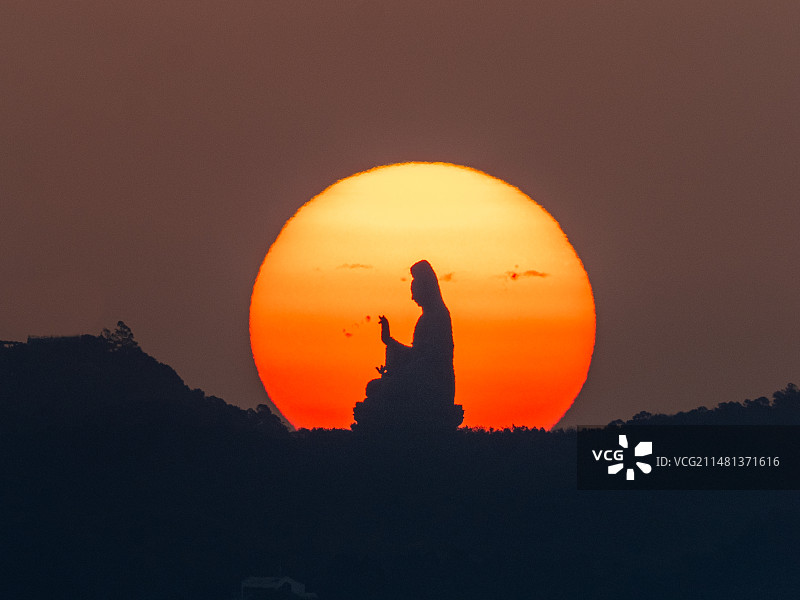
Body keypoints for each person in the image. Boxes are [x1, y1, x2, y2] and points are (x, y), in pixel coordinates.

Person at [376, 260, 455, 408]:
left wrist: (403, 373)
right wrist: (390, 341)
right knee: (376, 387)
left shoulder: (439, 317)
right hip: (420, 375)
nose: (413, 298)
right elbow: (416, 355)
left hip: (434, 383)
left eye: (415, 292)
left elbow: (432, 360)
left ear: (426, 289)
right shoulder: (425, 318)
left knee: (379, 388)